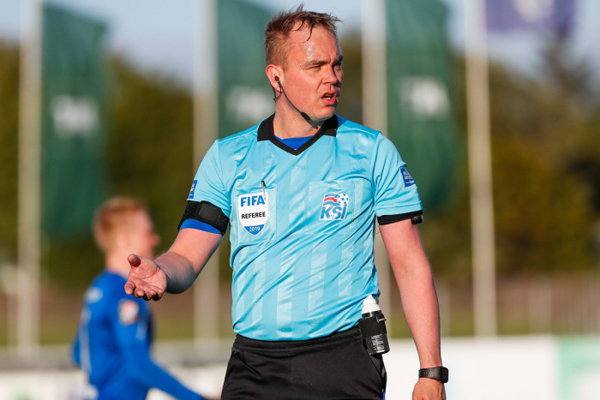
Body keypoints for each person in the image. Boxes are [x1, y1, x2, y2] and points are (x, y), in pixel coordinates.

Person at [125, 6, 447, 400]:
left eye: (336, 64)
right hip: (254, 366)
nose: (332, 77)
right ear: (276, 76)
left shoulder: (372, 151)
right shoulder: (228, 157)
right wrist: (161, 271)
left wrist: (431, 371)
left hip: (344, 361)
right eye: (315, 66)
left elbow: (410, 264)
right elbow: (187, 256)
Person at [71, 197, 205, 400]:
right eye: (148, 233)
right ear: (124, 239)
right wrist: (195, 398)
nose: (155, 240)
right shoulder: (125, 293)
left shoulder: (98, 288)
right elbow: (138, 364)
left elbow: (78, 352)